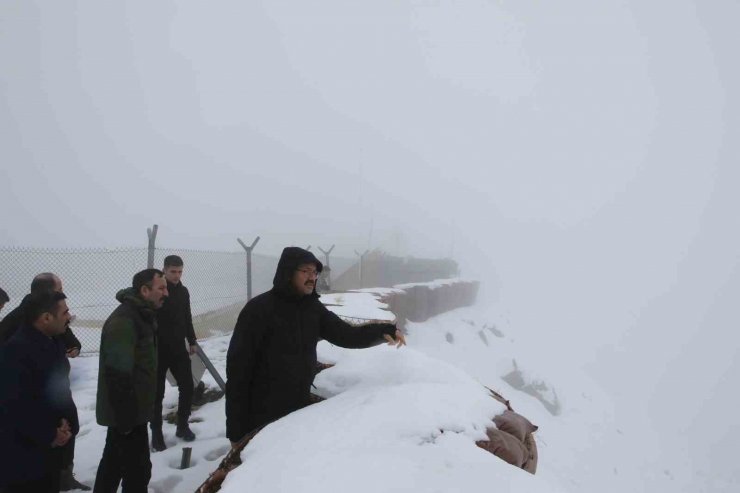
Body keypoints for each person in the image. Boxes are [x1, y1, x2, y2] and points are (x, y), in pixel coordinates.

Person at [225, 247, 406, 445]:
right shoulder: (259, 310)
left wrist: (384, 331)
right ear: (288, 273)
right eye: (305, 271)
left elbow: (346, 334)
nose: (312, 277)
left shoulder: (312, 308)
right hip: (262, 412)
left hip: (298, 406)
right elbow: (238, 372)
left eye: (315, 272)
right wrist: (236, 431)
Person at [0, 273, 88, 491]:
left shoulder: (55, 342)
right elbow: (15, 405)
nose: (69, 316)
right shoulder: (15, 351)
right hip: (23, 459)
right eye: (65, 312)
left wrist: (69, 424)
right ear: (46, 318)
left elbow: (61, 391)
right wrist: (50, 434)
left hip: (52, 451)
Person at [93, 269, 168, 493]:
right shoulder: (124, 321)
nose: (167, 293)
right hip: (127, 415)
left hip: (133, 412)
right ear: (145, 290)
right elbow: (117, 374)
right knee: (137, 472)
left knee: (113, 466)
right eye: (161, 288)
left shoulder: (142, 315)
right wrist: (126, 421)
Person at [150, 255, 198, 451]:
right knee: (157, 394)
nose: (177, 276)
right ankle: (157, 434)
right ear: (165, 270)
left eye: (180, 272)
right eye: (173, 272)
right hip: (158, 350)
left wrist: (192, 340)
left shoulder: (183, 292)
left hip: (178, 348)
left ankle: (182, 425)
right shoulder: (157, 292)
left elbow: (187, 316)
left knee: (187, 386)